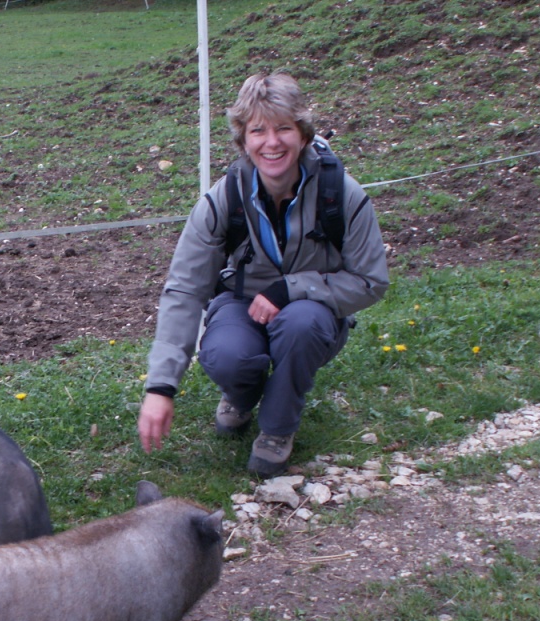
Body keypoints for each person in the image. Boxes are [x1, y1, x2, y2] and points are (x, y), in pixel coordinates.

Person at [137, 72, 389, 478]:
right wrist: (160, 386)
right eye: (258, 131)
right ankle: (241, 395)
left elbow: (370, 281)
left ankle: (276, 430)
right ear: (243, 140)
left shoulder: (342, 194)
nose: (272, 142)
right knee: (227, 355)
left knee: (301, 324)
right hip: (239, 303)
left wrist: (290, 289)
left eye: (284, 128)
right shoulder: (224, 198)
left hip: (314, 312)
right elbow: (184, 289)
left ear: (303, 134)